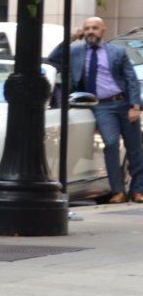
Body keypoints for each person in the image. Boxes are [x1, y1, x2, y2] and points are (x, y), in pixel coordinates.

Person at [49, 15, 143, 202]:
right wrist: (71, 37)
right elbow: (53, 58)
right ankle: (117, 191)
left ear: (103, 30)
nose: (91, 31)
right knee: (110, 144)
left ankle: (138, 190)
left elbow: (131, 79)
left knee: (135, 149)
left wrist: (135, 106)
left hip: (124, 104)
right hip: (102, 106)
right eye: (87, 28)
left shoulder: (117, 52)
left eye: (95, 28)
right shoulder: (76, 51)